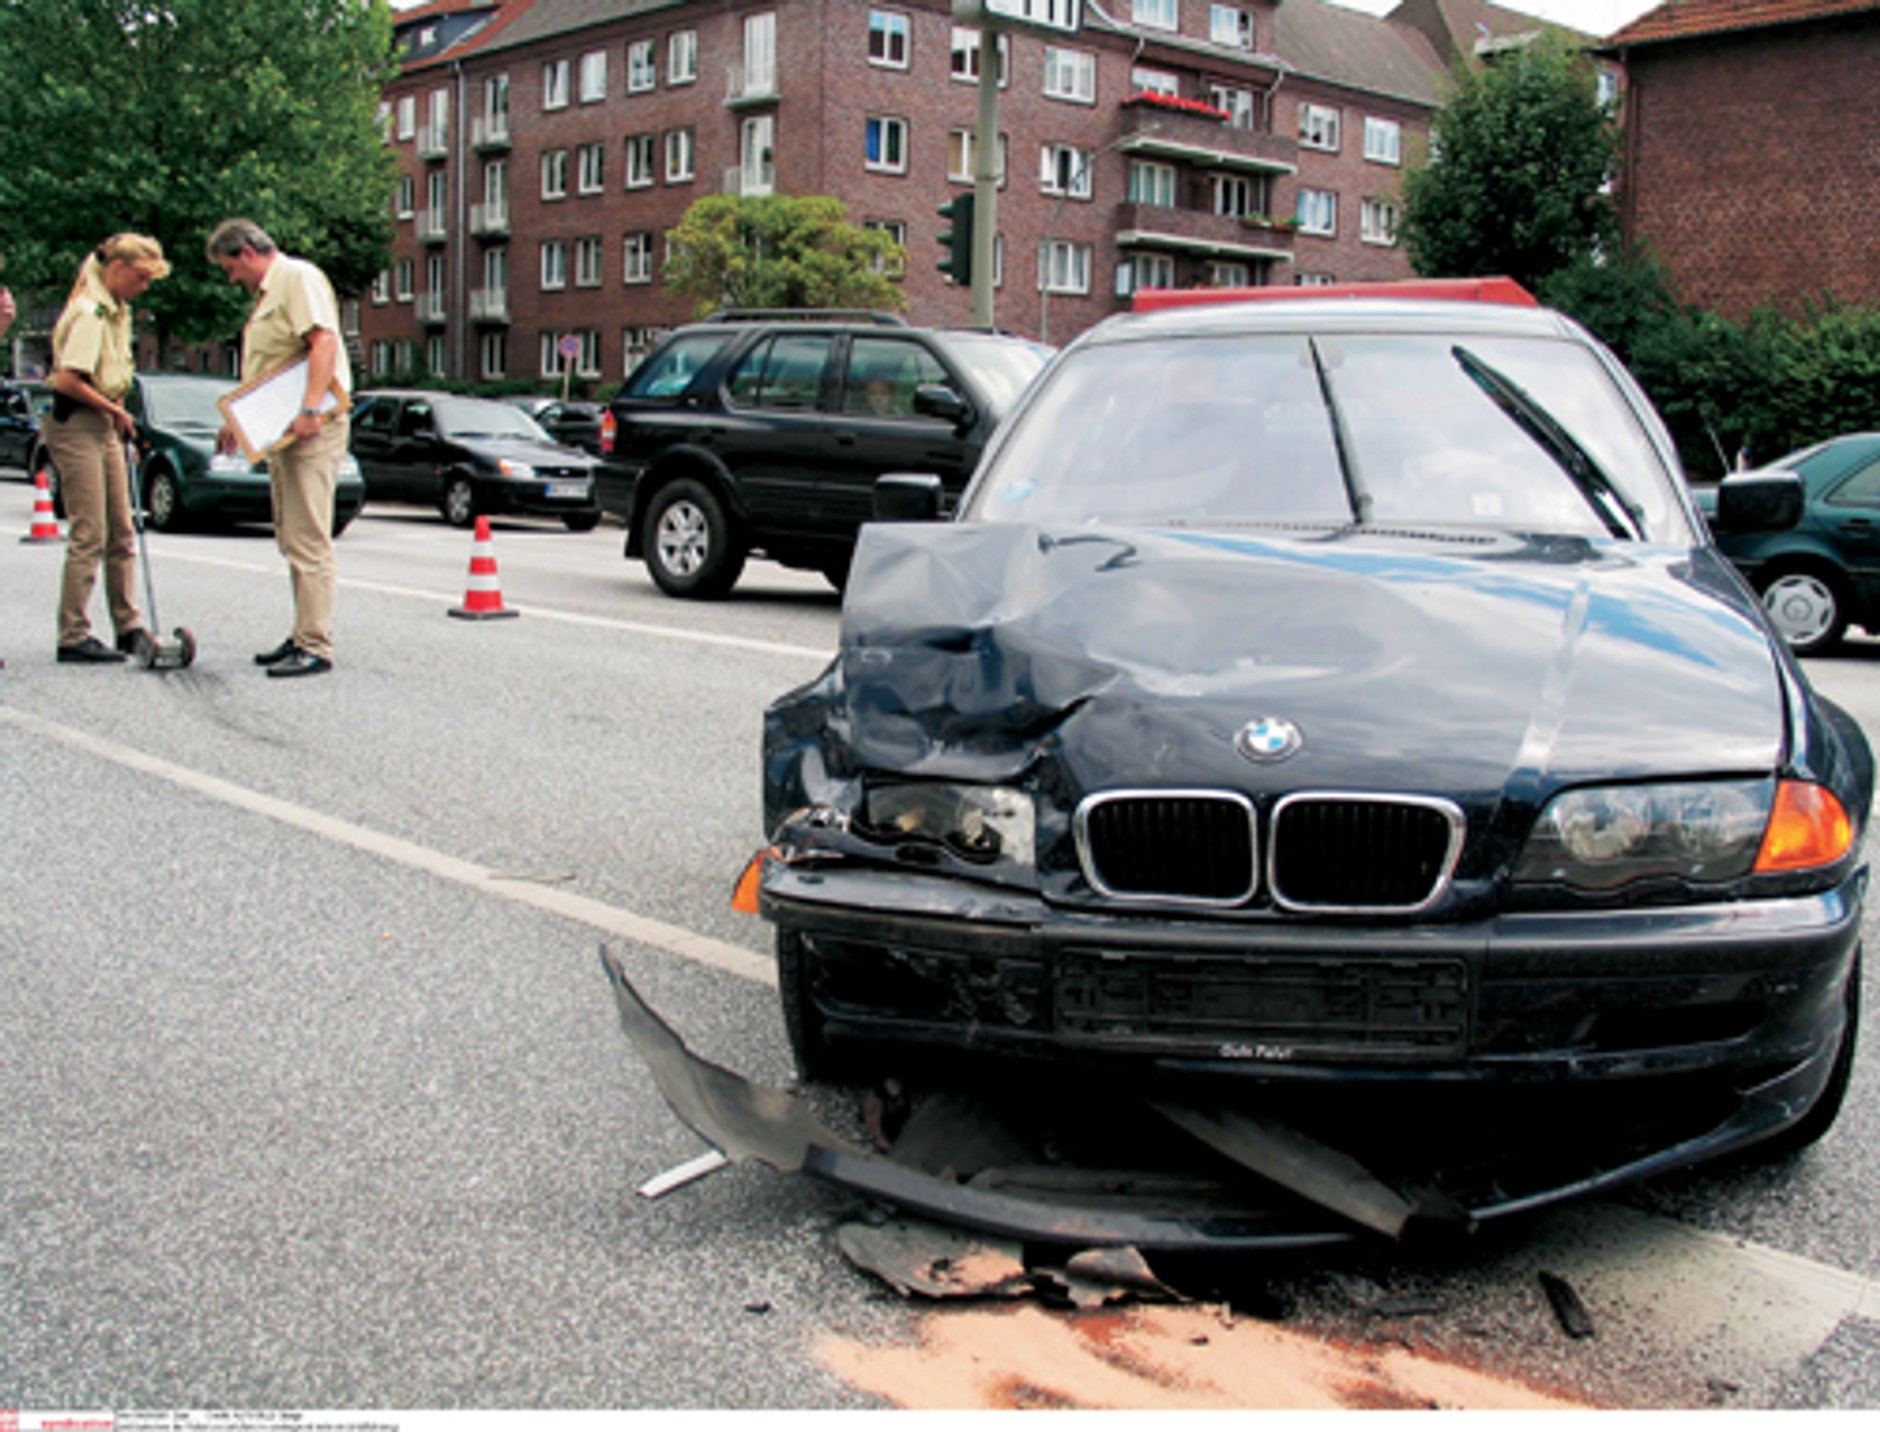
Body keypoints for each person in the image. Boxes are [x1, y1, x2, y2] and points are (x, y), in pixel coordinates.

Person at [207, 219, 351, 678]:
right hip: (282, 430)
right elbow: (272, 367)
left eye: (231, 268)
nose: (232, 280)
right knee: (291, 534)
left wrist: (311, 408)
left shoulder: (297, 278)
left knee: (308, 536)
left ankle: (315, 644)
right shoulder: (270, 294)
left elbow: (323, 341)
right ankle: (301, 633)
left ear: (248, 251)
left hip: (311, 426)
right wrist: (240, 424)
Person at [41, 233, 171, 664]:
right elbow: (69, 380)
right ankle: (73, 632)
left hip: (106, 421)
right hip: (77, 423)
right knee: (90, 531)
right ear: (116, 269)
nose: (143, 287)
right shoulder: (90, 312)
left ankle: (128, 624)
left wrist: (117, 413)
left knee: (123, 527)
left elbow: (110, 373)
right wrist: (113, 412)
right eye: (139, 277)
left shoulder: (118, 312)